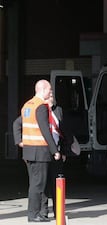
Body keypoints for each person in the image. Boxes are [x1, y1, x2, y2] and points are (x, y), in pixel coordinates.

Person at [14, 93, 70, 219]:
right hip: (42, 151)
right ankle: (41, 212)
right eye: (49, 96)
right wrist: (19, 141)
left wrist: (63, 151)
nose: (51, 99)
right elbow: (19, 124)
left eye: (52, 97)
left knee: (54, 182)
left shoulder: (57, 111)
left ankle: (58, 212)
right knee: (40, 184)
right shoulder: (39, 109)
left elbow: (65, 132)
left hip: (51, 150)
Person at [21, 79, 60, 222]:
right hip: (40, 151)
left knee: (34, 184)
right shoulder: (41, 106)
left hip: (29, 150)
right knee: (38, 185)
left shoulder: (27, 105)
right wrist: (54, 150)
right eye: (49, 90)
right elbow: (45, 130)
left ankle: (33, 213)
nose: (50, 93)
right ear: (43, 90)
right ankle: (34, 214)